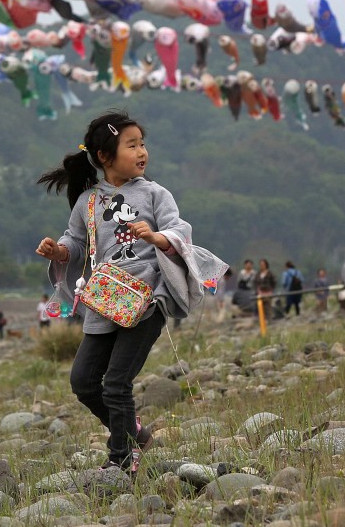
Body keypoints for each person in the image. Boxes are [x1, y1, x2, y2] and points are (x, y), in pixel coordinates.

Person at [35, 111, 224, 475]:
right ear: (105, 157)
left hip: (148, 299)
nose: (142, 152)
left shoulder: (155, 194)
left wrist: (157, 238)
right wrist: (58, 252)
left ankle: (121, 457)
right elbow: (75, 241)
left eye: (143, 143)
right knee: (84, 382)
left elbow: (178, 230)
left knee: (117, 382)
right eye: (132, 145)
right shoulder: (88, 201)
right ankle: (135, 433)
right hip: (106, 301)